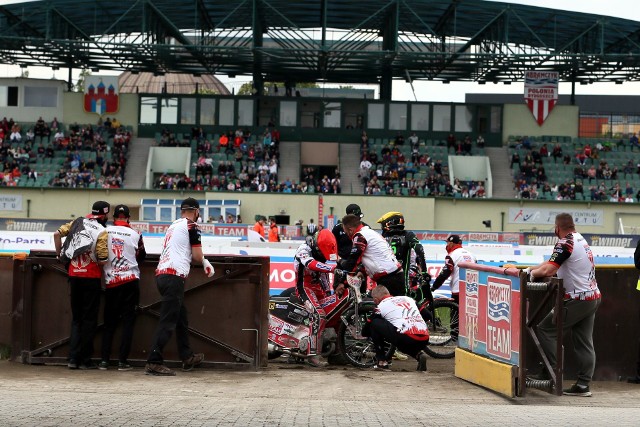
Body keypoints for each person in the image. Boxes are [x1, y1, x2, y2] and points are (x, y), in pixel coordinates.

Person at [527, 213, 601, 397]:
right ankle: (583, 385)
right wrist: (530, 269)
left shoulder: (565, 242)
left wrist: (529, 274)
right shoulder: (579, 239)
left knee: (545, 330)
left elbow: (549, 270)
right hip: (592, 297)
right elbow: (551, 262)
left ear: (557, 228)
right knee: (584, 341)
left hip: (576, 299)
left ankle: (552, 374)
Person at [145, 198, 215, 376]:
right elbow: (197, 256)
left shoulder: (173, 225)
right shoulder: (191, 226)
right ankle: (154, 361)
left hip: (163, 274)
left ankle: (187, 356)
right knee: (168, 321)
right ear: (196, 211)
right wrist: (206, 261)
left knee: (180, 318)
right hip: (174, 276)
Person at [53, 201, 110, 370]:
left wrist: (58, 255)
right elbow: (103, 259)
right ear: (104, 215)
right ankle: (86, 360)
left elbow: (56, 235)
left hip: (74, 276)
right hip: (91, 278)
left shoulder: (77, 222)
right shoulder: (101, 231)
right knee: (89, 319)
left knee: (76, 319)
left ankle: (72, 359)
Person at [99, 204, 146, 371]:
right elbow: (142, 256)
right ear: (128, 218)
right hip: (130, 281)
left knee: (109, 323)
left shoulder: (105, 232)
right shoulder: (136, 234)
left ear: (113, 218)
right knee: (128, 323)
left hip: (111, 282)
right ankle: (122, 361)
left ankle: (104, 360)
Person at [294, 229, 340, 367]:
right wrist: (331, 268)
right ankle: (312, 354)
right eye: (321, 253)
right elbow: (310, 264)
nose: (323, 256)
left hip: (319, 289)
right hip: (304, 288)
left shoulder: (323, 253)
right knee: (318, 315)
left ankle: (336, 352)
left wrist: (329, 293)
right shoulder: (303, 249)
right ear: (316, 246)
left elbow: (324, 278)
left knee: (335, 311)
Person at [338, 214, 404, 296]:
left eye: (346, 232)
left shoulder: (360, 236)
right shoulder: (370, 233)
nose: (347, 235)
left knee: (385, 305)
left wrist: (342, 283)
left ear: (350, 230)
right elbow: (373, 255)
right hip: (394, 274)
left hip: (389, 278)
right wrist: (362, 271)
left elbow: (353, 259)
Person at [366, 285, 429, 371]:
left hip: (405, 337)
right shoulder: (408, 299)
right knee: (401, 338)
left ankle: (382, 362)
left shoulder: (380, 306)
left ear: (376, 300)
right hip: (424, 338)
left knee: (374, 323)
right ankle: (418, 355)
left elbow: (366, 329)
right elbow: (428, 315)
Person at [376, 211, 429, 293]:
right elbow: (419, 250)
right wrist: (424, 271)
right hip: (402, 279)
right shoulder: (408, 235)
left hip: (384, 278)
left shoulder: (380, 237)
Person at [431, 235, 477, 305]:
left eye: (447, 243)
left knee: (455, 314)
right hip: (473, 290)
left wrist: (434, 287)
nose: (446, 245)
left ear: (452, 243)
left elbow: (445, 274)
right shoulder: (472, 255)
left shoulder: (452, 255)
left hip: (458, 290)